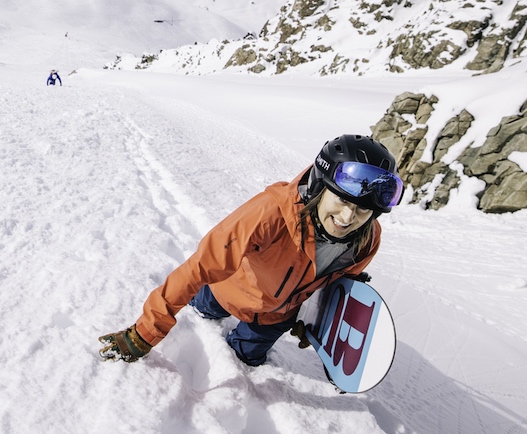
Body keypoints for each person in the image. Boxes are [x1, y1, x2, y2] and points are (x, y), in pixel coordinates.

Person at [98, 134, 402, 367]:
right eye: (343, 202)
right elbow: (200, 267)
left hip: (275, 319)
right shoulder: (271, 213)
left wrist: (315, 322)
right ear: (320, 188)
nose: (349, 219)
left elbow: (330, 287)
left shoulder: (366, 239)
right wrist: (144, 332)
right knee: (203, 307)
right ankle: (204, 307)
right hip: (228, 291)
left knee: (244, 361)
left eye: (363, 211)